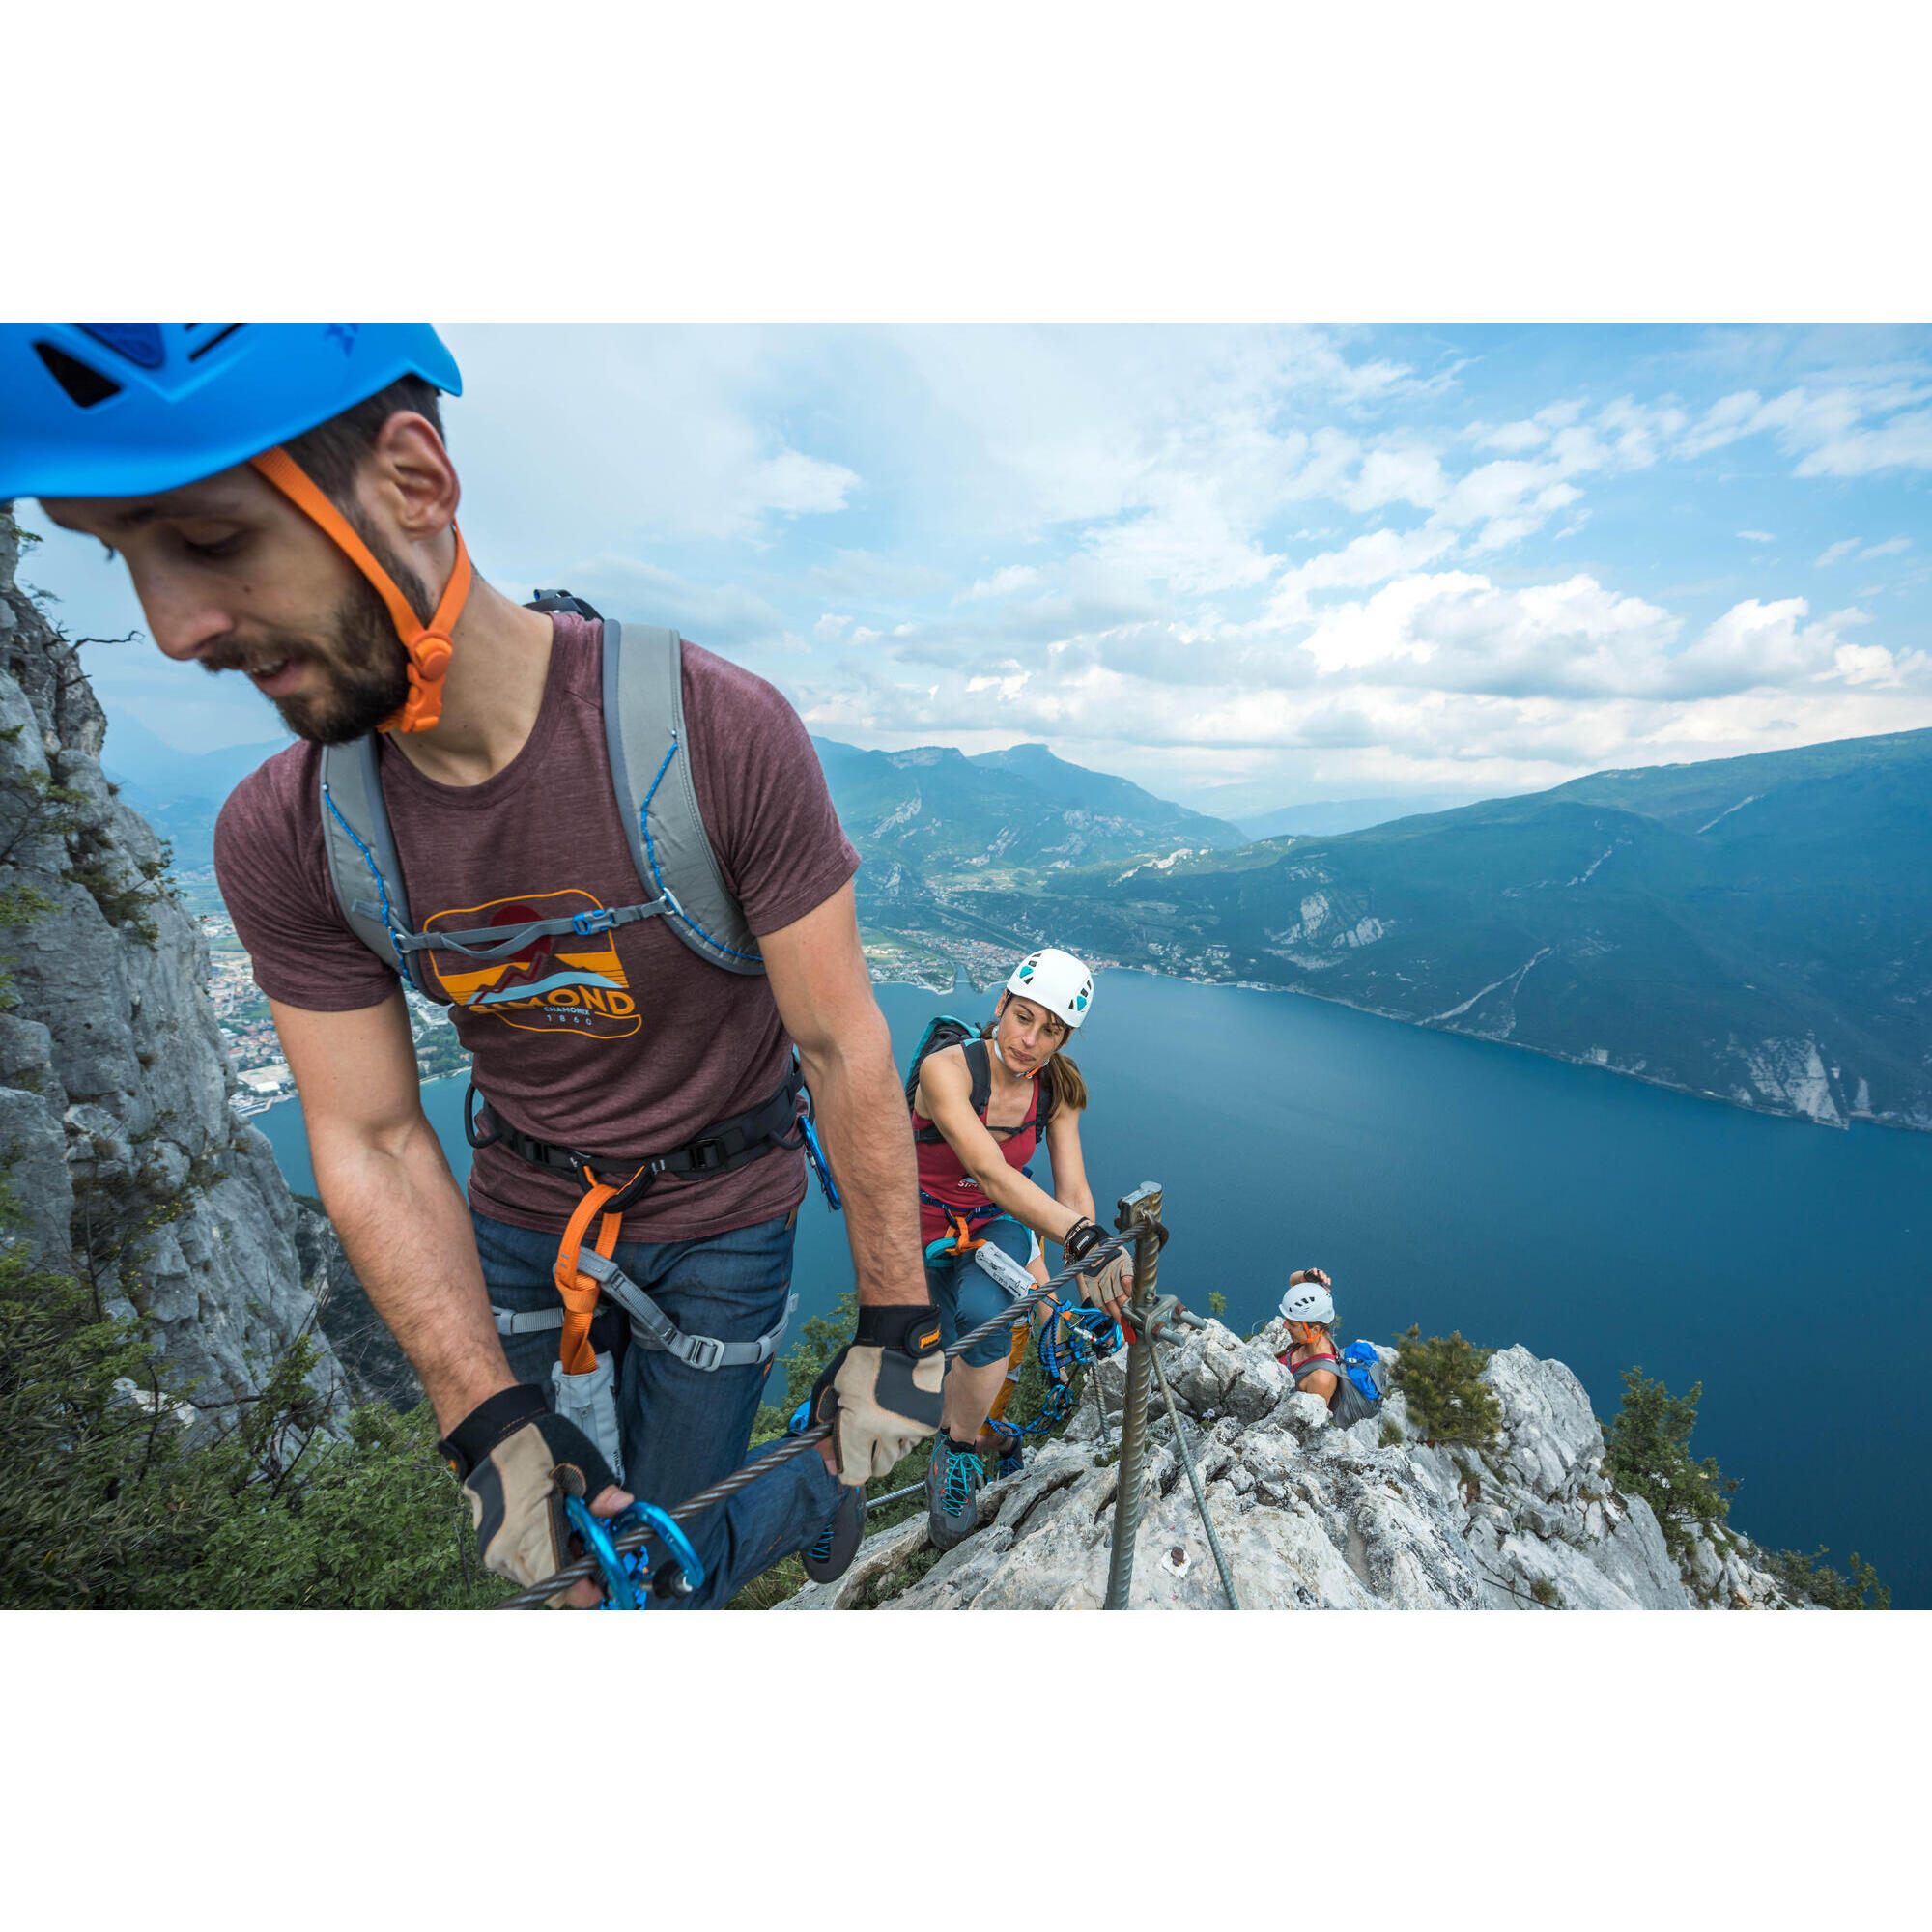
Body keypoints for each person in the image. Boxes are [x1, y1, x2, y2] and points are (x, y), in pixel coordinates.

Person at [0, 322, 944, 1606]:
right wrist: (475, 1412)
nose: (172, 629)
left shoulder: (714, 733)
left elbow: (840, 1044)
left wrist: (894, 1322)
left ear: (415, 482)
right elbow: (376, 1137)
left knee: (664, 1560)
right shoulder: (286, 834)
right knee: (552, 1580)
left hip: (726, 1218)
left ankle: (807, 1491)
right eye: (123, 557)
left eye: (210, 541)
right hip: (515, 1216)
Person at [907, 947, 1130, 1549]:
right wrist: (1084, 1238)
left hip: (993, 1224)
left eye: (1050, 1030)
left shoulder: (1058, 1092)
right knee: (904, 1355)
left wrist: (1092, 1291)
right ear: (1001, 1005)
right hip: (918, 1222)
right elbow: (989, 1170)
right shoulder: (946, 1070)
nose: (1029, 1040)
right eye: (1023, 1017)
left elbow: (1073, 1188)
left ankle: (954, 1456)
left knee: (989, 1320)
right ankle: (990, 1440)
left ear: (1065, 1039)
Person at [1276, 1270, 1341, 1404]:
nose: (1284, 1326)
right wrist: (1306, 1277)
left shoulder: (1320, 1379)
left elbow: (1309, 1421)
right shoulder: (1309, 1338)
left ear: (1314, 1329)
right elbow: (1293, 1280)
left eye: (1292, 1324)